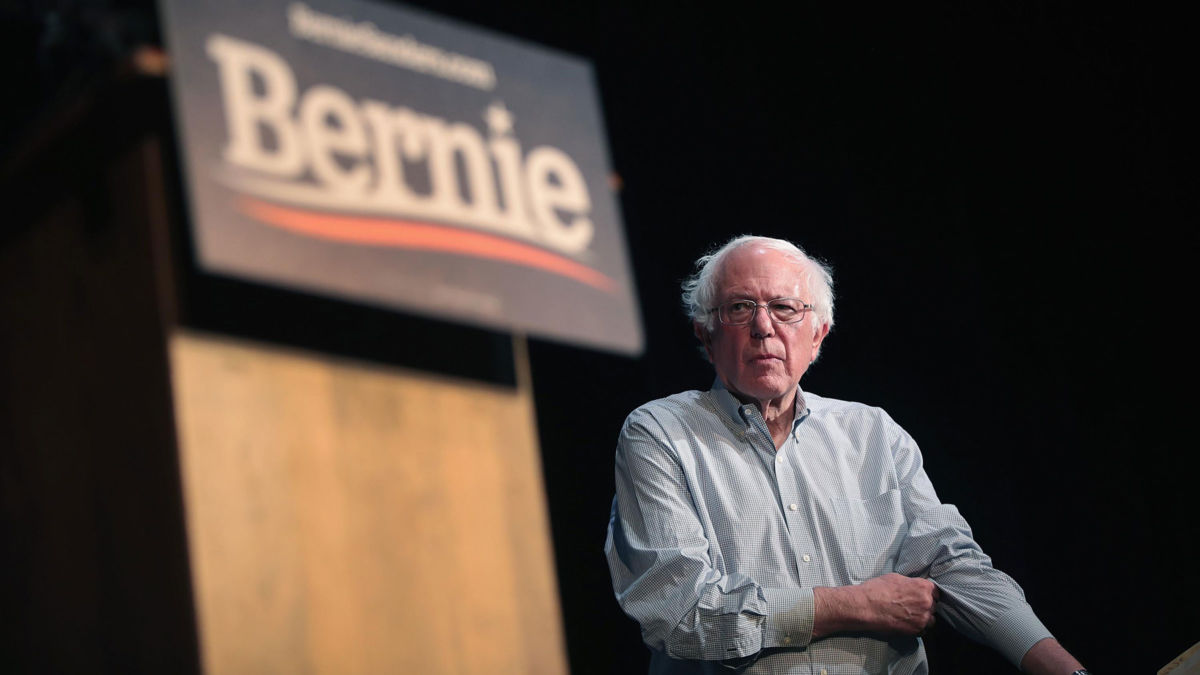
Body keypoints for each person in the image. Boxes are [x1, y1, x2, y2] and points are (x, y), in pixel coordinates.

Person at [604, 235, 1088, 674]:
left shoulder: (873, 432)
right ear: (705, 337)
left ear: (818, 336)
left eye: (785, 308)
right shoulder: (659, 433)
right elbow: (680, 611)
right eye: (739, 308)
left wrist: (1063, 669)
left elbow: (952, 565)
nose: (763, 327)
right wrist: (853, 606)